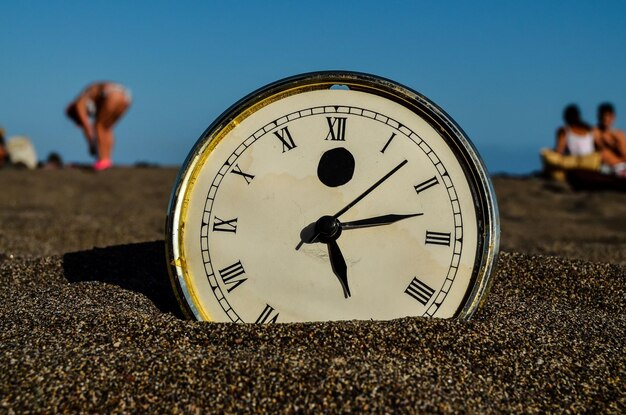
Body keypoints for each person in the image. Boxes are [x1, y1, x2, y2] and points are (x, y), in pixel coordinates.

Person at [66, 82, 131, 171]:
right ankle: (107, 161)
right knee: (107, 127)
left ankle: (103, 160)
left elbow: (87, 126)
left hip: (112, 94)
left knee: (99, 126)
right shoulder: (90, 99)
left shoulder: (78, 104)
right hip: (125, 96)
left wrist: (91, 145)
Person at [594, 103, 626, 177]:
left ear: (613, 117)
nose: (606, 119)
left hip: (621, 166)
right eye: (604, 116)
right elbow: (602, 153)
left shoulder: (618, 134)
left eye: (609, 116)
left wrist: (615, 143)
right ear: (599, 117)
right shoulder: (595, 132)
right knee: (604, 153)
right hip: (607, 167)